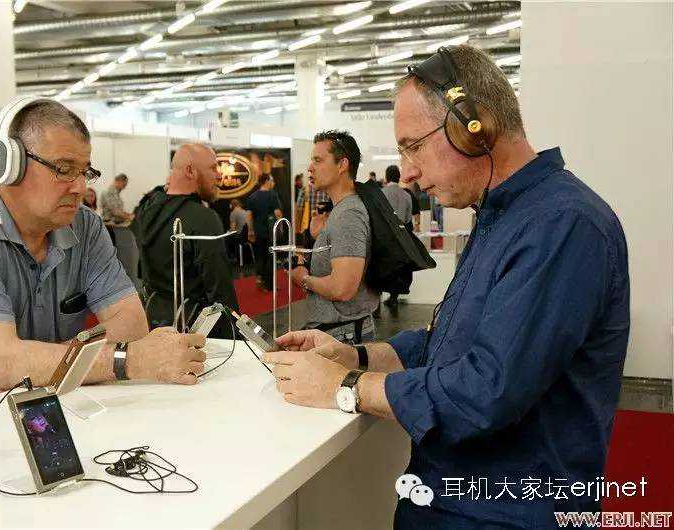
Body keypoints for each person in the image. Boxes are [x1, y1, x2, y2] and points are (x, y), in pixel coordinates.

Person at [263, 45, 629, 529]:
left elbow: (486, 390)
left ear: (472, 126)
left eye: (414, 146)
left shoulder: (562, 225)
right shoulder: (501, 216)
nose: (408, 171)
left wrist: (345, 388)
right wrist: (354, 356)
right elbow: (446, 344)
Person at [0, 98, 207, 425]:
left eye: (85, 172)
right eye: (64, 169)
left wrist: (40, 364)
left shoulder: (85, 227)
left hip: (17, 421)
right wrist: (124, 360)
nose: (80, 187)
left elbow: (131, 326)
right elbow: (4, 364)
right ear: (8, 165)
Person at [134, 143, 239, 337]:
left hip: (154, 325)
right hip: (196, 331)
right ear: (190, 171)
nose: (219, 175)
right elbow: (219, 290)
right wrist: (235, 337)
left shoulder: (147, 210)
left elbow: (142, 270)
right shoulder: (204, 218)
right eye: (213, 168)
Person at [289, 130, 379, 344]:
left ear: (342, 165)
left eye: (318, 160)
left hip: (342, 335)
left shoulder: (348, 214)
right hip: (339, 331)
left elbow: (342, 289)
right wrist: (316, 238)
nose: (310, 167)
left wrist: (304, 279)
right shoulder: (342, 210)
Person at [380, 164, 413, 309]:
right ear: (399, 178)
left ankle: (376, 306)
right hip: (401, 237)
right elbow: (408, 218)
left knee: (382, 268)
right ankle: (394, 298)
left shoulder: (381, 194)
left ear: (386, 177)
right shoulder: (406, 195)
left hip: (384, 236)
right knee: (398, 268)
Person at [100, 173, 139, 287]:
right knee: (112, 255)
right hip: (109, 228)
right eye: (124, 185)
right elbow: (116, 212)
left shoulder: (115, 193)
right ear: (119, 181)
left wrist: (131, 215)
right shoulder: (108, 193)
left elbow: (120, 211)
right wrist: (130, 217)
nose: (124, 188)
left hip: (116, 227)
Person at [246, 174, 283, 291]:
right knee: (270, 258)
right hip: (270, 232)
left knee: (260, 257)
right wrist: (281, 226)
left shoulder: (252, 197)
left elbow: (249, 216)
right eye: (272, 180)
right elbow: (277, 213)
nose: (273, 183)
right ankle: (269, 285)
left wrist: (250, 230)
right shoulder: (272, 195)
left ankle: (260, 280)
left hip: (258, 232)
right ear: (266, 181)